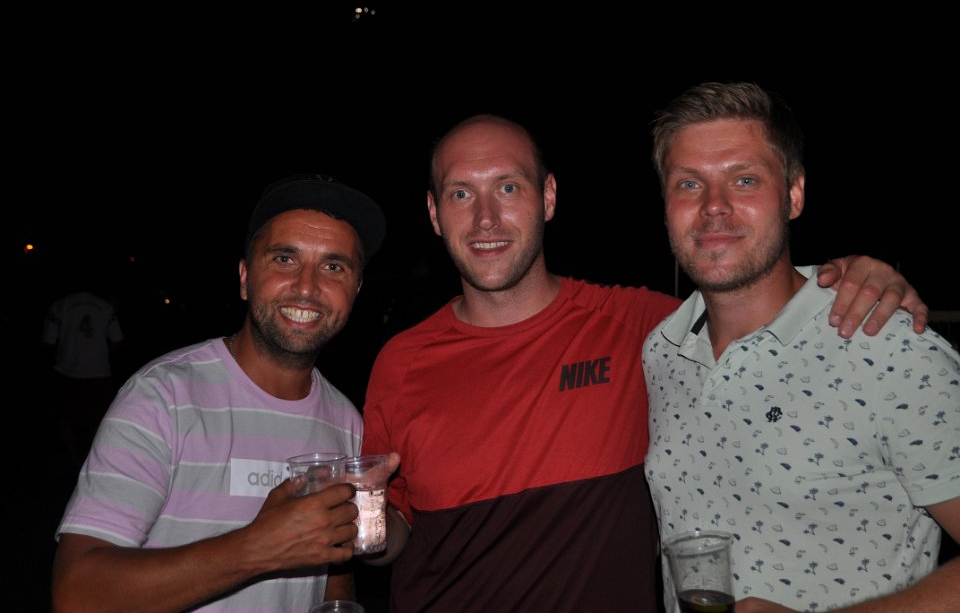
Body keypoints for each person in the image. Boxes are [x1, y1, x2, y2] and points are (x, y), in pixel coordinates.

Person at [360, 113, 929, 612]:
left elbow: (751, 297)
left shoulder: (647, 330)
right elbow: (392, 528)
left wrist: (850, 279)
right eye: (461, 194)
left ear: (548, 197)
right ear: (434, 213)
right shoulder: (401, 363)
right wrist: (360, 527)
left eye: (508, 187)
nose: (486, 218)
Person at [643, 82, 960, 612]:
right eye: (688, 184)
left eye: (745, 180)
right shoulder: (661, 353)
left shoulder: (889, 349)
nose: (714, 206)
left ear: (794, 195)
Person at [52, 174, 399, 612]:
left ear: (355, 291)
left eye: (333, 267)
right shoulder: (163, 397)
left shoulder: (346, 421)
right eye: (285, 259)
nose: (307, 286)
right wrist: (257, 547)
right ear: (245, 277)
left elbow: (332, 567)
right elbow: (76, 593)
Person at [41, 270, 125, 468]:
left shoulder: (60, 305)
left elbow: (47, 341)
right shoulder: (104, 306)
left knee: (66, 418)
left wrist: (65, 351)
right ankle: (95, 459)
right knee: (100, 418)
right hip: (98, 372)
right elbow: (118, 340)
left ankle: (74, 459)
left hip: (67, 371)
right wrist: (101, 353)